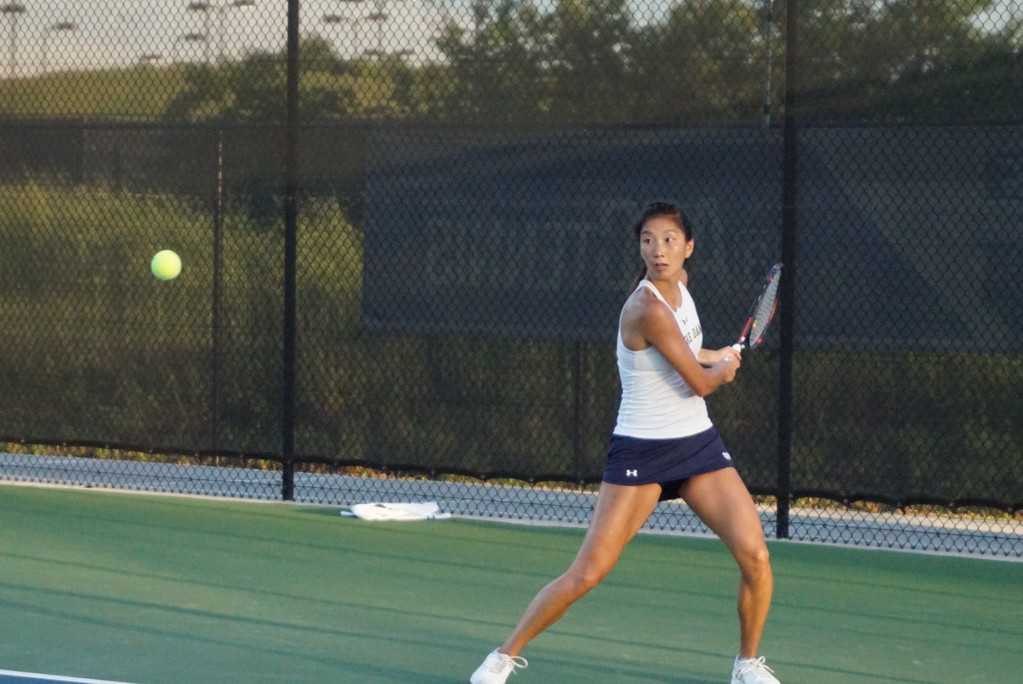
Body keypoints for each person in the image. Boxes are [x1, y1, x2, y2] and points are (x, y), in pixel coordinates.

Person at [469, 201, 780, 684]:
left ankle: (747, 666)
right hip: (642, 450)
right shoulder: (644, 306)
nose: (658, 250)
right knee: (587, 574)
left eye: (669, 240)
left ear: (688, 247)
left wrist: (714, 354)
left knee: (756, 557)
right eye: (648, 240)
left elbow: (686, 350)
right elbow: (699, 382)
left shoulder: (681, 290)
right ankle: (502, 657)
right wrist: (720, 370)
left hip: (696, 444)